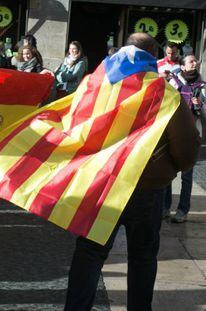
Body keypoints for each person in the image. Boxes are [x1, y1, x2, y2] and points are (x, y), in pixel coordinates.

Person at [64, 33, 200, 311]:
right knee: (142, 256)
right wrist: (167, 168)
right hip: (147, 190)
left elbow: (72, 127)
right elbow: (187, 152)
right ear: (153, 56)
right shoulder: (165, 93)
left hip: (101, 185)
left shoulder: (94, 84)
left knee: (90, 253)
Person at [163, 54, 205, 223]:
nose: (194, 63)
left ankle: (182, 210)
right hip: (172, 133)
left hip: (191, 136)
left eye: (196, 61)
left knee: (187, 176)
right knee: (168, 172)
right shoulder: (173, 83)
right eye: (191, 61)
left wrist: (199, 105)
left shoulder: (202, 86)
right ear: (182, 66)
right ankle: (165, 208)